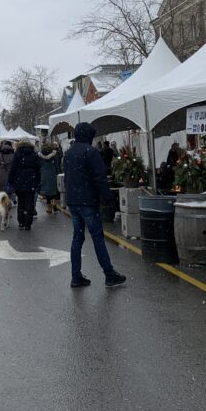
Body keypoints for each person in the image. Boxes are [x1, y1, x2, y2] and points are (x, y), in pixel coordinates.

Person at [64, 122, 126, 288]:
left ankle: (76, 276)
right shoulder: (91, 153)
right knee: (97, 237)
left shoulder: (69, 153)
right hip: (88, 201)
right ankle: (109, 273)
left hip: (73, 201)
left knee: (77, 237)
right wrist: (108, 198)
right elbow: (100, 178)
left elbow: (67, 178)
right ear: (89, 136)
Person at [8, 140, 41, 230]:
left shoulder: (17, 154)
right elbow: (38, 169)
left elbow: (13, 169)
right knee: (29, 203)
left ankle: (21, 222)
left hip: (19, 181)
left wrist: (10, 182)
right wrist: (38, 182)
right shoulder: (34, 154)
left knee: (21, 202)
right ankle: (28, 223)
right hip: (31, 180)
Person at [38, 142, 60, 214]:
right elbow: (56, 165)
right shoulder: (54, 155)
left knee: (47, 192)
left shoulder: (40, 155)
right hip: (52, 173)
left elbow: (39, 165)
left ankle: (49, 208)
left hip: (44, 174)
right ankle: (54, 206)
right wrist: (57, 172)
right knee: (53, 190)